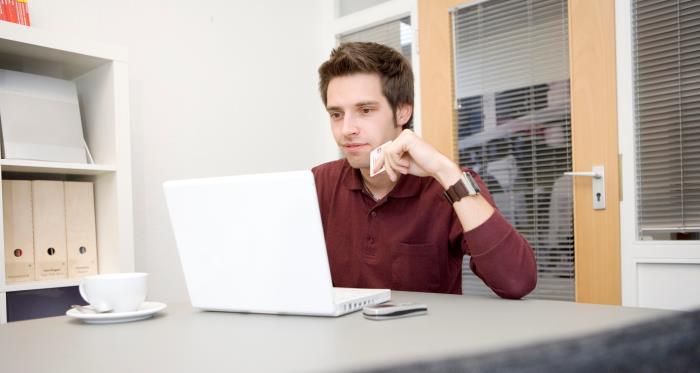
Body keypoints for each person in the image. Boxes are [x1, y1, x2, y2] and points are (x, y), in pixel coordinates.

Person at [311, 42, 537, 299]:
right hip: (343, 337)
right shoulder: (318, 183)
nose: (346, 129)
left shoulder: (453, 184)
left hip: (427, 337)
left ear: (402, 112)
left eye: (365, 110)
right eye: (336, 114)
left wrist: (444, 171)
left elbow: (517, 281)